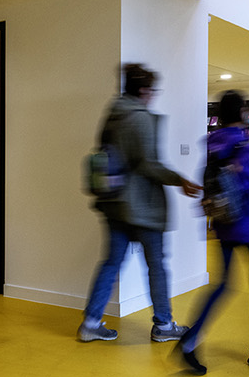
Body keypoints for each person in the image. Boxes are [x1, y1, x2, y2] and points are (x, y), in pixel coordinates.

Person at [78, 64, 202, 343]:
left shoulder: (112, 114)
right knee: (156, 265)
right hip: (142, 206)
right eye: (153, 90)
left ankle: (91, 323)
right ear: (144, 90)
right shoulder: (140, 118)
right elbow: (149, 164)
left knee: (111, 263)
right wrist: (180, 180)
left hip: (114, 202)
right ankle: (164, 324)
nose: (154, 95)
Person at [175, 90, 249, 374]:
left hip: (224, 225)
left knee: (222, 284)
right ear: (242, 113)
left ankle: (190, 339)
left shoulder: (212, 146)